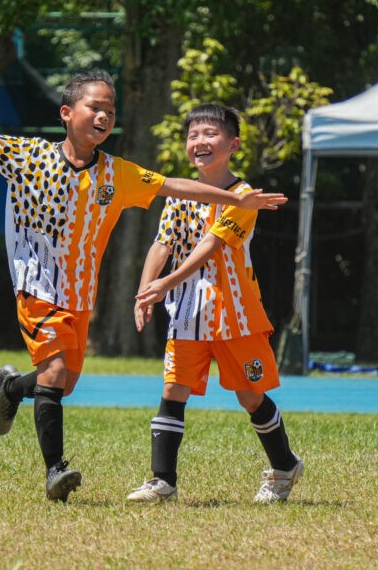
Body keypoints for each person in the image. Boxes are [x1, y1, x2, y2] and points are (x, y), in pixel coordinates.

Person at [0, 72, 287, 502]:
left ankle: (13, 389)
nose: (104, 116)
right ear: (67, 113)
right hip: (36, 287)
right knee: (58, 376)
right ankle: (57, 473)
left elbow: (173, 185)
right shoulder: (29, 155)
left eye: (111, 110)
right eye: (96, 107)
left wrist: (239, 199)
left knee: (63, 384)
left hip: (80, 297)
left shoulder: (117, 173)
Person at [125, 104, 301, 504]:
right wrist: (145, 289)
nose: (199, 142)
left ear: (232, 144)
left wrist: (165, 282)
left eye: (210, 134)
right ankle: (162, 482)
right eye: (193, 136)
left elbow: (212, 244)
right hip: (187, 315)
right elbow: (162, 242)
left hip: (236, 315)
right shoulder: (180, 192)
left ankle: (284, 466)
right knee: (173, 390)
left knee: (249, 397)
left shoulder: (244, 197)